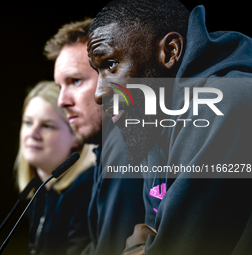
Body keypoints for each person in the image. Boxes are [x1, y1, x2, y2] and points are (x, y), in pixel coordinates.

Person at [87, 0, 252, 254]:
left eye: (110, 64)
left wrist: (145, 247)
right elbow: (154, 232)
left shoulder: (228, 99)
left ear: (170, 51)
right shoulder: (153, 124)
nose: (99, 94)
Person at [44, 19, 145, 255]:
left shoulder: (124, 145)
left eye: (75, 81)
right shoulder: (109, 146)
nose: (62, 101)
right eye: (59, 87)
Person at [15, 81, 96, 255]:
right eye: (28, 123)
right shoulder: (40, 191)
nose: (33, 134)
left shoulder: (84, 191)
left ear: (76, 136)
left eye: (47, 126)